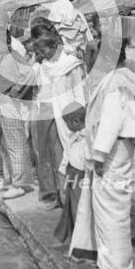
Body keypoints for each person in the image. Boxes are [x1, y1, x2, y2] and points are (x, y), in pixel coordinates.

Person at [69, 38, 135, 269]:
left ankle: (114, 268)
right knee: (113, 207)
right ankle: (111, 262)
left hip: (111, 152)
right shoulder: (129, 78)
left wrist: (98, 156)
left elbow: (110, 122)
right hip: (121, 149)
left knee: (110, 210)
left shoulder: (115, 83)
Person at [31, 31, 86, 210]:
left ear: (54, 47)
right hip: (43, 111)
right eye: (39, 52)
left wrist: (79, 114)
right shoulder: (42, 66)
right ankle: (51, 193)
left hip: (64, 113)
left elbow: (79, 91)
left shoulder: (71, 65)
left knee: (60, 152)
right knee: (43, 152)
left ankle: (66, 197)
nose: (41, 54)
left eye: (44, 50)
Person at [0, 29, 36, 199]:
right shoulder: (5, 58)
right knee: (5, 144)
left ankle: (20, 184)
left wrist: (15, 93)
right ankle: (11, 180)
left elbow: (30, 75)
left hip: (9, 105)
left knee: (16, 145)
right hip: (1, 106)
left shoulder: (14, 56)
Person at [54, 102, 88, 245]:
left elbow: (87, 163)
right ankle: (74, 235)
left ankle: (82, 239)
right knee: (71, 208)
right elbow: (67, 156)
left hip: (81, 178)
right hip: (71, 174)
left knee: (80, 209)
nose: (66, 127)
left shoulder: (87, 140)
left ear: (75, 122)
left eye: (66, 123)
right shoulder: (74, 137)